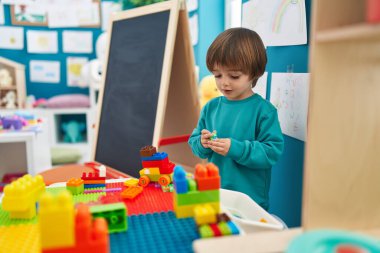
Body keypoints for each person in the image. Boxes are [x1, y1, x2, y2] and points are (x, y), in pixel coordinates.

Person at [188, 28, 284, 210]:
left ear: (254, 73)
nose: (224, 82)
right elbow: (195, 143)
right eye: (217, 75)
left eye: (234, 76)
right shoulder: (211, 108)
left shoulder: (264, 111)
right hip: (215, 193)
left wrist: (236, 148)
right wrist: (202, 143)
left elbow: (272, 152)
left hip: (250, 200)